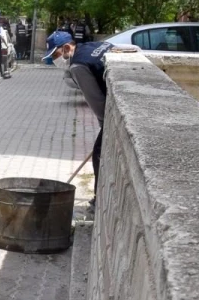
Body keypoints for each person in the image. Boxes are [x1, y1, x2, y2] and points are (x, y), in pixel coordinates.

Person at [43, 29, 134, 207]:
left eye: (56, 55)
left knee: (99, 153)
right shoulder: (94, 45)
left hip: (122, 109)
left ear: (68, 47)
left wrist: (106, 128)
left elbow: (97, 102)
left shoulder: (78, 66)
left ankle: (100, 202)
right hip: (131, 93)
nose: (55, 61)